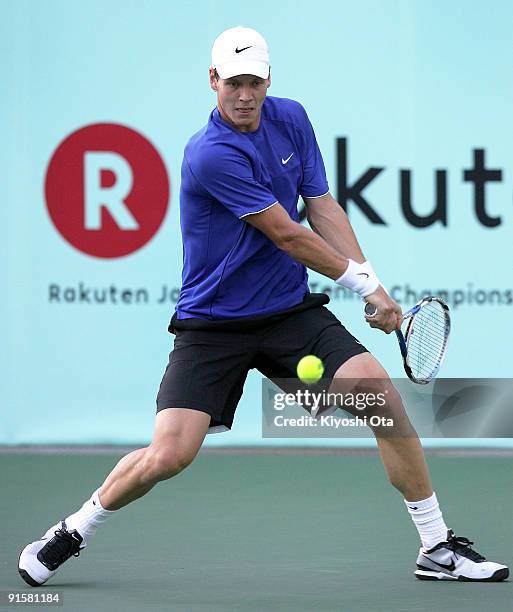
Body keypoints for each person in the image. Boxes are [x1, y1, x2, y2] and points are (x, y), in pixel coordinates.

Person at [18, 25, 508, 586]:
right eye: (233, 83)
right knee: (170, 454)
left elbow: (321, 207)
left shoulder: (291, 118)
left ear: (269, 80)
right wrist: (365, 290)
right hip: (214, 325)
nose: (245, 95)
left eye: (254, 82)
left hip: (286, 311)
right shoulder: (210, 153)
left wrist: (371, 278)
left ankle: (437, 546)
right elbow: (287, 234)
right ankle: (73, 529)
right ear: (213, 81)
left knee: (382, 399)